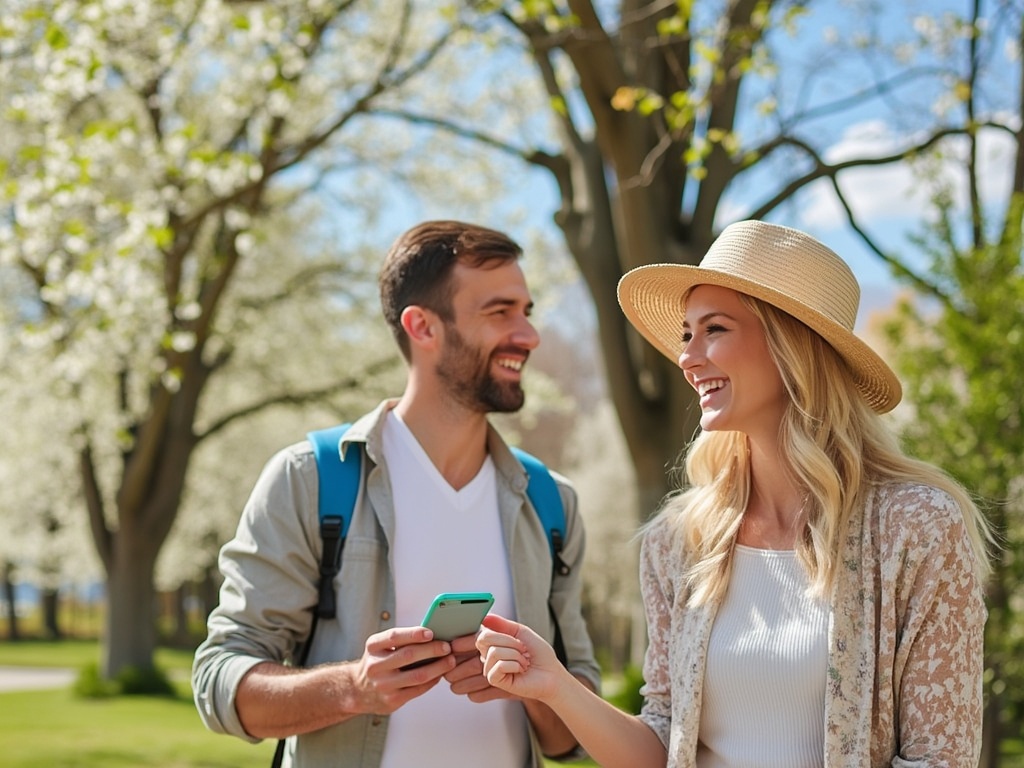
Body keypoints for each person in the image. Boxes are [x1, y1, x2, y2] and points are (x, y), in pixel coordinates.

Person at [476, 220, 993, 767]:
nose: (687, 357)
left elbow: (941, 758)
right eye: (685, 333)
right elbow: (663, 746)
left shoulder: (917, 526)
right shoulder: (679, 540)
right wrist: (554, 684)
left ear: (792, 344)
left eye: (715, 329)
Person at [192, 220, 600, 768]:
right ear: (422, 326)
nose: (528, 336)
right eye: (499, 312)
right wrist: (354, 688)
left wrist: (540, 688)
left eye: (525, 312)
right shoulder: (309, 480)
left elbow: (569, 739)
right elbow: (220, 679)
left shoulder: (550, 504)